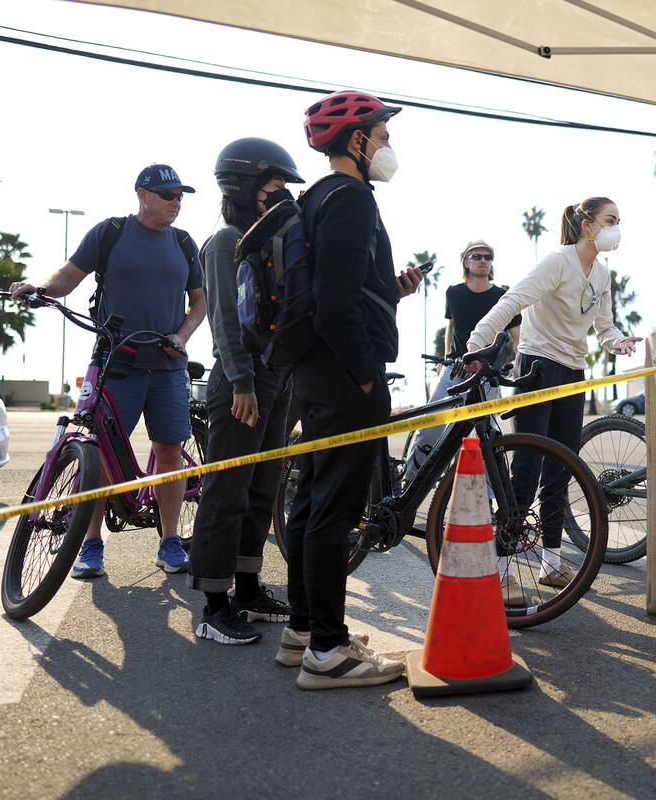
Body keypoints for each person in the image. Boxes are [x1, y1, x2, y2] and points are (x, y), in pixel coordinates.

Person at [281, 89, 424, 689]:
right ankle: (329, 653)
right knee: (333, 511)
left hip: (316, 372)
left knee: (312, 502)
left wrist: (391, 291)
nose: (390, 145)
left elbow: (340, 287)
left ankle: (304, 631)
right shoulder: (352, 199)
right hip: (344, 378)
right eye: (383, 136)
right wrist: (367, 374)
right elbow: (336, 304)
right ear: (357, 141)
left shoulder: (317, 198)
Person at [9, 164, 206, 579]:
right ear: (143, 195)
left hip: (168, 367)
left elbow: (199, 304)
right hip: (115, 362)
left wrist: (182, 335)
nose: (176, 202)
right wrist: (40, 290)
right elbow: (68, 276)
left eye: (180, 196)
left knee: (169, 451)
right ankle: (91, 544)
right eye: (168, 195)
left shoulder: (185, 243)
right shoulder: (111, 232)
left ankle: (170, 541)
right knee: (95, 452)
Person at [467, 197, 642, 606]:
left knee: (561, 466)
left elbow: (604, 325)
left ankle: (550, 562)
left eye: (618, 221)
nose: (616, 228)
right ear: (586, 225)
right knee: (526, 468)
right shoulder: (557, 262)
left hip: (573, 372)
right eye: (609, 220)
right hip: (538, 367)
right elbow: (513, 300)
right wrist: (478, 340)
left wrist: (617, 342)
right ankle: (503, 568)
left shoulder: (601, 272)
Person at [188, 138, 303, 646]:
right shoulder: (226, 241)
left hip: (276, 380)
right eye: (273, 183)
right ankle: (213, 607)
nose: (281, 193)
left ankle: (248, 589)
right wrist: (241, 383)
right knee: (226, 492)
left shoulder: (268, 243)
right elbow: (225, 321)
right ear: (245, 185)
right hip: (242, 383)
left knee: (261, 490)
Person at [402, 239, 521, 483]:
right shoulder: (453, 293)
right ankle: (410, 481)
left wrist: (519, 366)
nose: (483, 261)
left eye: (488, 257)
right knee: (430, 428)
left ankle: (486, 499)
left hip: (487, 375)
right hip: (454, 370)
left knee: (485, 439)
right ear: (466, 262)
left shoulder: (503, 296)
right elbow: (452, 327)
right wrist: (445, 357)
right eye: (477, 257)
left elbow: (517, 336)